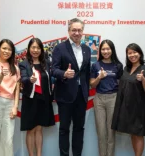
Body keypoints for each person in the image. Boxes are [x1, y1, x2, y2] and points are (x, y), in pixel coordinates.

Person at [51, 18, 91, 156]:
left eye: (79, 30)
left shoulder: (86, 49)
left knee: (79, 128)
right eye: (74, 30)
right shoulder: (59, 48)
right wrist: (64, 74)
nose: (77, 33)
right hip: (65, 95)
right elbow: (53, 70)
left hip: (81, 95)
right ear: (68, 31)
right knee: (64, 129)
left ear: (83, 32)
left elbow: (86, 73)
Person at [111, 43, 145, 156]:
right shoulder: (126, 68)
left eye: (135, 52)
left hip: (138, 107)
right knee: (132, 133)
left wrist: (143, 79)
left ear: (140, 54)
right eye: (129, 53)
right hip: (126, 107)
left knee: (138, 134)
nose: (132, 55)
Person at [19, 38, 55, 156]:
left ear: (41, 49)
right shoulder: (24, 64)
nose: (35, 50)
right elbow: (23, 78)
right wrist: (30, 79)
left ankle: (39, 154)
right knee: (31, 129)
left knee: (39, 129)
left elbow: (51, 78)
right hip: (30, 100)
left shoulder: (47, 63)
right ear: (29, 49)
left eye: (38, 48)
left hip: (44, 100)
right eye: (33, 47)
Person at [89, 39, 123, 156]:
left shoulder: (118, 65)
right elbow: (92, 84)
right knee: (101, 133)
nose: (105, 51)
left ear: (112, 50)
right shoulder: (95, 65)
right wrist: (99, 77)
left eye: (108, 49)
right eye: (103, 49)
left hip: (113, 98)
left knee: (111, 132)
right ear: (100, 51)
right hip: (99, 99)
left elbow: (121, 84)